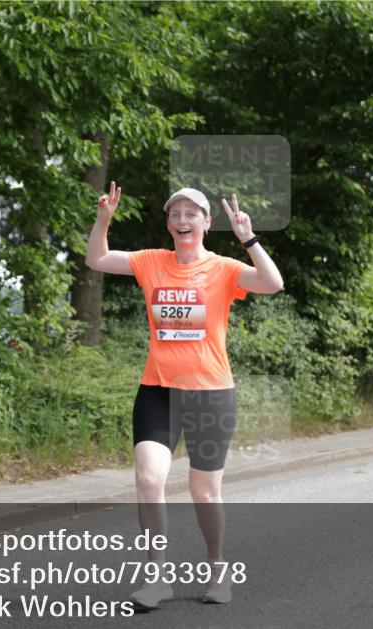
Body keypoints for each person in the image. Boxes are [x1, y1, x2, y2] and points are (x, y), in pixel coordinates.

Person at [85, 182, 284, 606]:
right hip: (158, 391)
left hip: (210, 394)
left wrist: (248, 238)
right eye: (175, 214)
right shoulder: (152, 262)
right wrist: (103, 221)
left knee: (204, 491)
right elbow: (97, 258)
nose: (181, 220)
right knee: (148, 478)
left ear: (207, 223)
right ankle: (156, 577)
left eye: (191, 214)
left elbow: (272, 283)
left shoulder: (225, 269)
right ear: (168, 224)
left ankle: (217, 568)